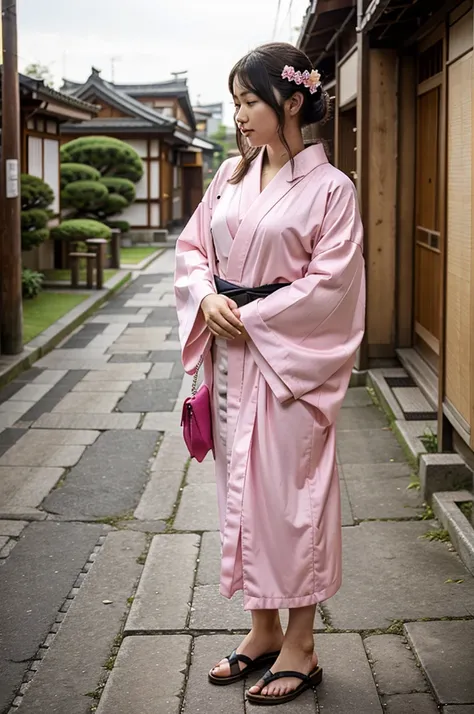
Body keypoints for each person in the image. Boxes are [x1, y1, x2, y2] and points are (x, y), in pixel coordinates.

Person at [174, 42, 365, 706]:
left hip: (288, 369)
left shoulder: (331, 189)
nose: (240, 116)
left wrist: (251, 316)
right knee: (241, 493)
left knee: (293, 499)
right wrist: (204, 296)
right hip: (230, 360)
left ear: (291, 102)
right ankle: (261, 630)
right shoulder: (229, 174)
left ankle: (302, 644)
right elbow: (194, 247)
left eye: (250, 101)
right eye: (234, 103)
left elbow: (332, 285)